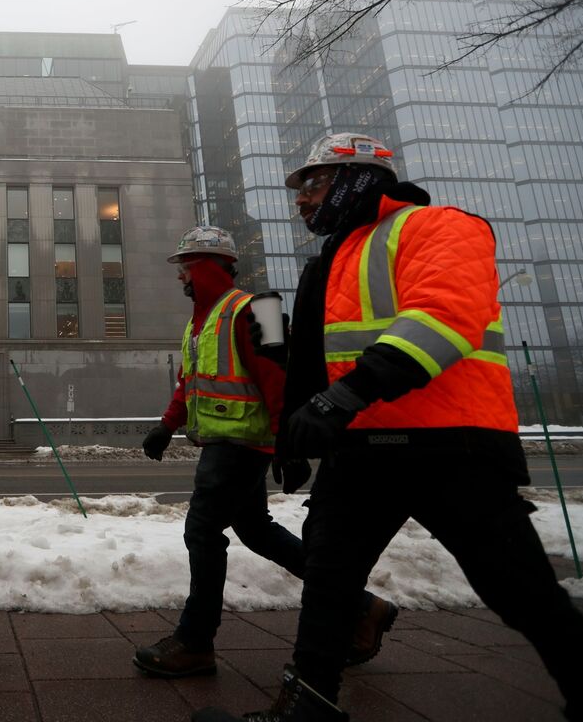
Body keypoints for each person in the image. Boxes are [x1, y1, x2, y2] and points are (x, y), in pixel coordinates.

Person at [194, 133, 583, 722]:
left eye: (314, 183)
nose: (301, 201)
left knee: (517, 588)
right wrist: (285, 387)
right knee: (328, 583)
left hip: (450, 444)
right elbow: (324, 357)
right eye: (300, 190)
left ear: (358, 176)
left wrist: (341, 399)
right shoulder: (330, 260)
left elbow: (442, 320)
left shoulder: (441, 227)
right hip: (362, 448)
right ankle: (308, 706)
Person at [133, 225, 396, 679]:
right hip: (227, 442)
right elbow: (190, 382)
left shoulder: (258, 309)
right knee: (255, 531)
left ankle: (196, 642)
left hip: (242, 444)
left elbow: (281, 381)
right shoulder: (202, 320)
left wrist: (286, 446)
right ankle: (361, 607)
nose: (181, 279)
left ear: (207, 268)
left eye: (186, 269)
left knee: (202, 532)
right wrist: (166, 424)